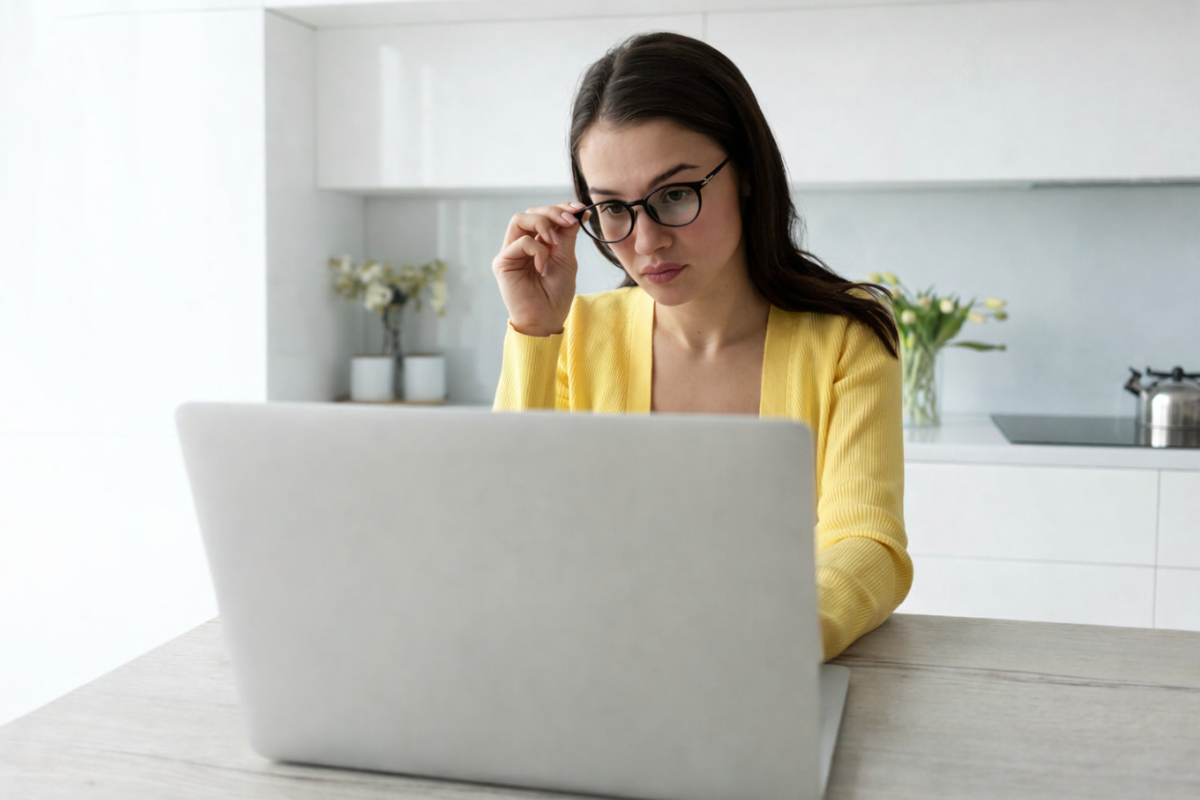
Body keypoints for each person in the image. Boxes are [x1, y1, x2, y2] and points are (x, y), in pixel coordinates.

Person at [489, 31, 912, 661]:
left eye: (676, 194)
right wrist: (535, 333)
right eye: (613, 208)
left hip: (763, 666)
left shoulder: (847, 341)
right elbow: (507, 532)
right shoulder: (575, 333)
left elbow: (865, 541)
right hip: (587, 667)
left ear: (743, 173)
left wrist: (781, 632)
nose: (647, 241)